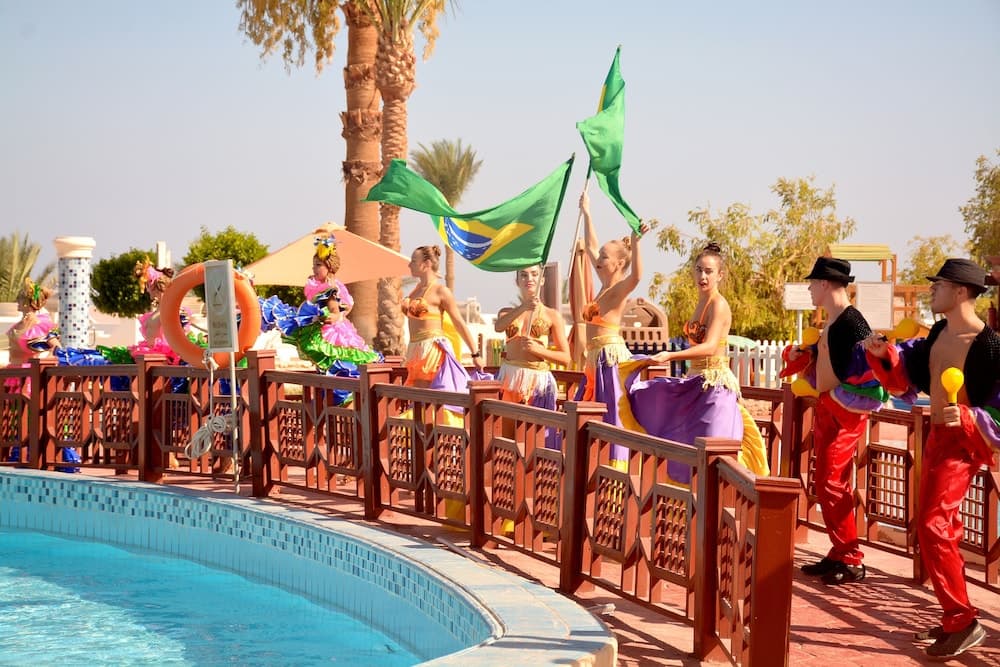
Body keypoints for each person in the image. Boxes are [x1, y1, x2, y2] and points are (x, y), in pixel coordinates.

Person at [863, 258, 997, 660]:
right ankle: (955, 614)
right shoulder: (939, 332)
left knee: (932, 524)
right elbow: (910, 371)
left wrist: (971, 417)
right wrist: (885, 354)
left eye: (939, 285)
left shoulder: (990, 346)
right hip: (937, 438)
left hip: (963, 443)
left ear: (961, 292)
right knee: (942, 527)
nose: (932, 290)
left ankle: (963, 620)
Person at [620, 242, 770, 481]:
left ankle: (725, 497)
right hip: (696, 380)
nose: (703, 276)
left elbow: (710, 346)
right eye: (699, 270)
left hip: (715, 385)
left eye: (709, 271)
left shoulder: (719, 305)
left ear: (720, 275)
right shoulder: (701, 301)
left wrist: (670, 355)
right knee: (679, 435)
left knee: (715, 451)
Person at [783, 257, 886, 586]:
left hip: (846, 412)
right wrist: (805, 355)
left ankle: (851, 557)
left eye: (812, 284)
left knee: (832, 480)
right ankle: (840, 550)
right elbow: (828, 358)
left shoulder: (853, 321)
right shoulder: (833, 320)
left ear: (825, 284)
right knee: (825, 480)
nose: (810, 290)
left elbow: (869, 368)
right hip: (828, 407)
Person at [575, 191, 649, 468]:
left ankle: (616, 467)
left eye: (604, 257)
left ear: (618, 264)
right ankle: (590, 464)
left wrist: (636, 242)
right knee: (588, 410)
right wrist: (587, 212)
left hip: (608, 358)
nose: (598, 259)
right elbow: (591, 245)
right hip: (594, 360)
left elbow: (638, 276)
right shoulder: (604, 285)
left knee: (611, 416)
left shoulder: (618, 290)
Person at [4, 278, 80, 471]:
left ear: (28, 301)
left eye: (21, 297)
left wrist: (59, 366)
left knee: (34, 416)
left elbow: (56, 348)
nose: (18, 300)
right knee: (17, 417)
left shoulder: (40, 324)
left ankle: (56, 455)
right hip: (14, 376)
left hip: (30, 377)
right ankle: (19, 451)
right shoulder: (21, 323)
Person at [493, 264, 570, 446]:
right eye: (524, 275)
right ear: (517, 281)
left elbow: (566, 358)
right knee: (506, 437)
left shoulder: (552, 315)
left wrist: (538, 350)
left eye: (535, 275)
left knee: (533, 439)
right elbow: (499, 326)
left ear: (542, 280)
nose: (529, 279)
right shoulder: (507, 312)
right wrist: (524, 307)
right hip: (509, 379)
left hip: (536, 381)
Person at [403, 245, 485, 389]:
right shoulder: (415, 291)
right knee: (418, 395)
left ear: (427, 264)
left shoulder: (441, 291)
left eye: (414, 261)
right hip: (415, 349)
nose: (409, 265)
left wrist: (475, 354)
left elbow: (458, 322)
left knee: (424, 395)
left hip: (431, 350)